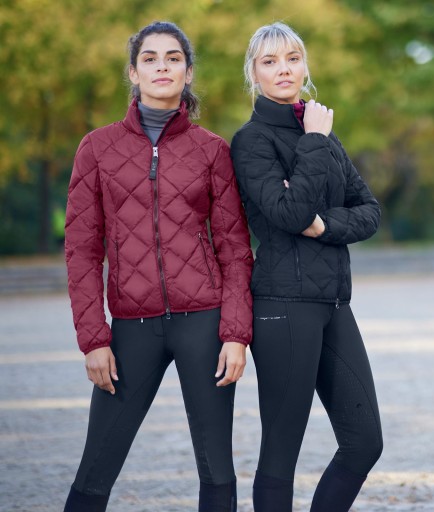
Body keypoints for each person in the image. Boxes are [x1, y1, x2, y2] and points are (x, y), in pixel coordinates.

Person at [63, 21, 253, 512]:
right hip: (131, 328)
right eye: (150, 58)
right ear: (134, 72)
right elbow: (81, 250)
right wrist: (93, 339)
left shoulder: (212, 150)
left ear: (188, 73)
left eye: (173, 58)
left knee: (217, 468)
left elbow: (234, 247)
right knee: (95, 467)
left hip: (204, 324)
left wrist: (235, 334)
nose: (162, 66)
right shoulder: (96, 148)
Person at [230, 22, 383, 512]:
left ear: (304, 66)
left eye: (292, 58)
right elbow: (288, 213)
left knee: (365, 442)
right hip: (283, 306)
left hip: (334, 303)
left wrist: (325, 225)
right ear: (253, 73)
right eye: (270, 61)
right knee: (281, 453)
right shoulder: (252, 140)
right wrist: (315, 140)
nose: (283, 69)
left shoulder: (322, 134)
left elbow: (370, 211)